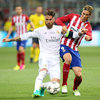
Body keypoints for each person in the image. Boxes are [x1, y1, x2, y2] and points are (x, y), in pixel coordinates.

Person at [3, 10, 70, 97]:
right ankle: (36, 91)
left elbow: (72, 35)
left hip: (55, 60)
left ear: (54, 20)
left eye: (50, 20)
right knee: (42, 72)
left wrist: (79, 33)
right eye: (46, 19)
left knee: (56, 85)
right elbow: (25, 36)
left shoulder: (59, 29)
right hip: (44, 56)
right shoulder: (40, 30)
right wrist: (10, 39)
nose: (48, 21)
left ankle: (42, 86)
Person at [55, 5, 93, 96]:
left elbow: (89, 37)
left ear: (89, 16)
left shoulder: (87, 26)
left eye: (86, 14)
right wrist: (63, 26)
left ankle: (75, 88)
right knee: (68, 59)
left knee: (78, 75)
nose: (84, 16)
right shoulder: (73, 16)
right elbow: (58, 20)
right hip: (64, 43)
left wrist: (87, 38)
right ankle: (64, 84)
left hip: (74, 49)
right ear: (81, 12)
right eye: (83, 13)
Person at [4, 5, 34, 70]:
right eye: (17, 9)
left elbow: (31, 24)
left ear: (21, 10)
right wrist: (8, 35)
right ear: (15, 10)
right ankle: (18, 65)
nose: (18, 10)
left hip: (24, 36)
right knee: (18, 51)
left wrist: (32, 30)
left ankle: (23, 64)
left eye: (19, 9)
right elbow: (11, 27)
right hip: (17, 36)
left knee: (21, 49)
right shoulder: (14, 18)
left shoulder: (25, 17)